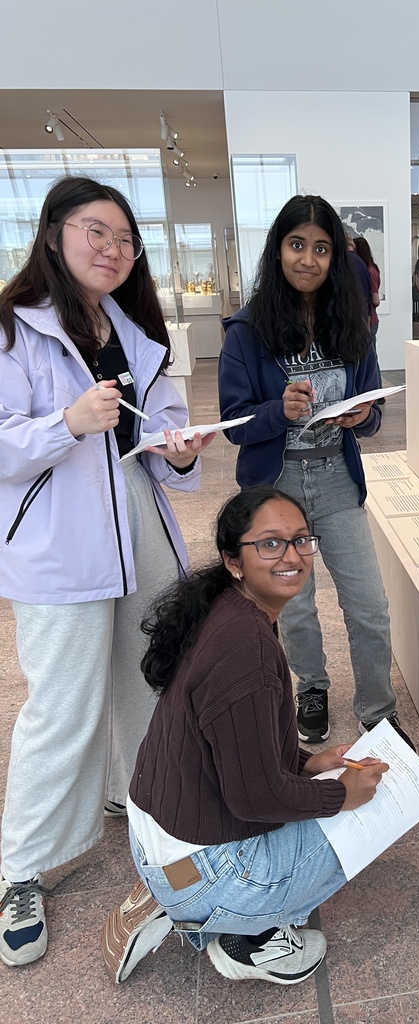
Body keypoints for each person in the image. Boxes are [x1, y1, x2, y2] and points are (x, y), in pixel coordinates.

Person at [0, 175, 215, 966]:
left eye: (125, 240)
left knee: (151, 674)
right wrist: (64, 423)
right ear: (54, 232)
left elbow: (155, 428)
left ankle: (141, 798)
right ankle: (21, 869)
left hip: (138, 521)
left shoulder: (132, 328)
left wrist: (178, 450)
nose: (113, 250)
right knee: (61, 705)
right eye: (97, 232)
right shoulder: (13, 328)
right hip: (62, 541)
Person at [100, 487, 389, 985]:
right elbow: (255, 796)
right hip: (206, 868)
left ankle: (177, 893)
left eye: (301, 540)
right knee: (377, 810)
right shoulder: (247, 649)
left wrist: (308, 763)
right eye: (271, 544)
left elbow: (232, 743)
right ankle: (245, 934)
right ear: (234, 560)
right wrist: (341, 793)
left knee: (322, 798)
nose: (293, 556)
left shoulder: (225, 611)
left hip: (158, 834)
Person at [217, 195, 413, 749]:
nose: (308, 259)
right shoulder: (247, 331)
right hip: (276, 489)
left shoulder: (349, 323)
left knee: (369, 606)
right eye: (297, 244)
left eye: (321, 248)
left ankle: (377, 709)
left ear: (334, 258)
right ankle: (313, 688)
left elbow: (374, 409)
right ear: (278, 249)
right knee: (295, 604)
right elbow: (234, 424)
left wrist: (363, 414)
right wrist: (278, 411)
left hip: (335, 479)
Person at [353, 236, 384, 396]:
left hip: (370, 319)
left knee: (371, 357)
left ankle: (377, 393)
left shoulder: (369, 270)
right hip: (370, 318)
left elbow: (375, 299)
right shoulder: (371, 268)